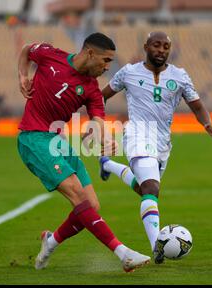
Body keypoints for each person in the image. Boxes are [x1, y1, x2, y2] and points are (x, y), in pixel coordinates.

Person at [17, 33, 150, 272]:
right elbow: (27, 49)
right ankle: (123, 253)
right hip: (34, 138)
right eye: (106, 60)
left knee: (91, 205)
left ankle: (51, 241)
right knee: (79, 195)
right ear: (90, 53)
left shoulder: (91, 89)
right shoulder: (50, 56)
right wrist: (23, 75)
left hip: (58, 141)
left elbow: (98, 118)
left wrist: (106, 136)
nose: (107, 67)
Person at [98, 32, 212, 264]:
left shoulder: (180, 76)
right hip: (136, 134)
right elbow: (101, 97)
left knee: (144, 189)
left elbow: (196, 105)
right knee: (151, 189)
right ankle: (157, 244)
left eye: (166, 46)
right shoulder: (129, 72)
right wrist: (97, 123)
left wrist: (207, 124)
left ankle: (107, 164)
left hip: (162, 143)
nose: (161, 50)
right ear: (146, 46)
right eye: (157, 45)